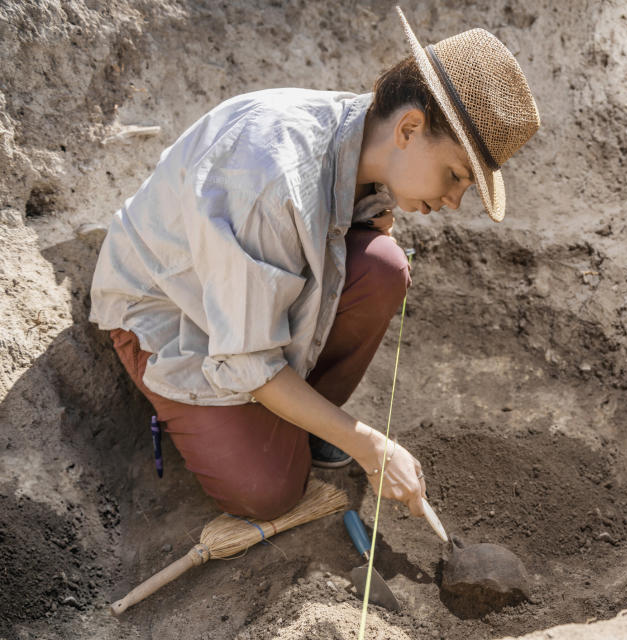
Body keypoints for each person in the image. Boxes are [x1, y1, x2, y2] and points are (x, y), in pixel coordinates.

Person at [89, 7, 540, 522]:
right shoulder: (273, 177)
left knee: (383, 268)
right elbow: (248, 362)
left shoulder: (362, 146)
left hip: (244, 306)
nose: (455, 201)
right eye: (456, 175)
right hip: (172, 310)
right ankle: (277, 426)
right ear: (410, 128)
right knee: (266, 493)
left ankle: (296, 422)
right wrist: (373, 447)